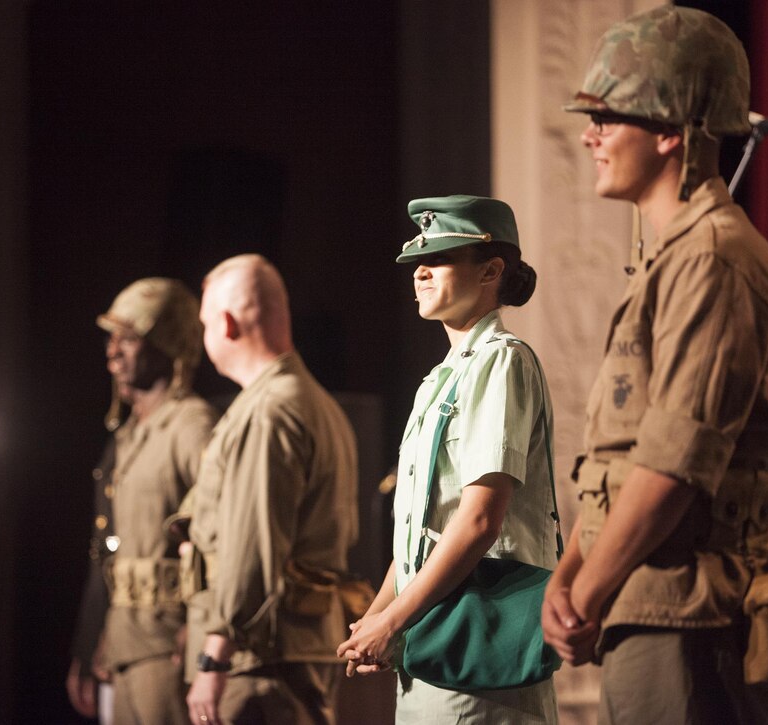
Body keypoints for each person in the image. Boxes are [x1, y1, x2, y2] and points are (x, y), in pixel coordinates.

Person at [542, 6, 768, 724]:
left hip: (692, 618)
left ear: (670, 132)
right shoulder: (675, 260)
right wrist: (570, 577)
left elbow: (676, 461)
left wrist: (585, 592)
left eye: (609, 117)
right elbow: (622, 457)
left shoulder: (716, 259)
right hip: (648, 605)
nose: (590, 136)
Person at [336, 195, 560, 723]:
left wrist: (392, 623)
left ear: (490, 270)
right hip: (432, 641)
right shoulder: (441, 378)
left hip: (478, 649)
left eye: (439, 259)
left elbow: (480, 518)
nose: (421, 273)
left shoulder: (501, 361)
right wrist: (379, 618)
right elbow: (421, 532)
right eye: (418, 261)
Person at [185, 254, 359, 725]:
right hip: (299, 646)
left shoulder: (268, 411)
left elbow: (252, 548)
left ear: (226, 323)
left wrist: (214, 655)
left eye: (205, 325)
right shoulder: (316, 403)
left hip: (259, 662)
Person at [95, 277, 219, 724]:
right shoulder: (131, 434)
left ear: (165, 343)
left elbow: (218, 529)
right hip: (128, 640)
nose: (113, 351)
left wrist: (200, 626)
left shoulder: (192, 425)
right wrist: (106, 635)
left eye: (129, 339)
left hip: (168, 645)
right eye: (112, 339)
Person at [65, 381, 127, 724]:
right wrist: (87, 648)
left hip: (155, 644)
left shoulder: (187, 427)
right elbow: (104, 555)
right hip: (115, 639)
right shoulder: (122, 440)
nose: (113, 355)